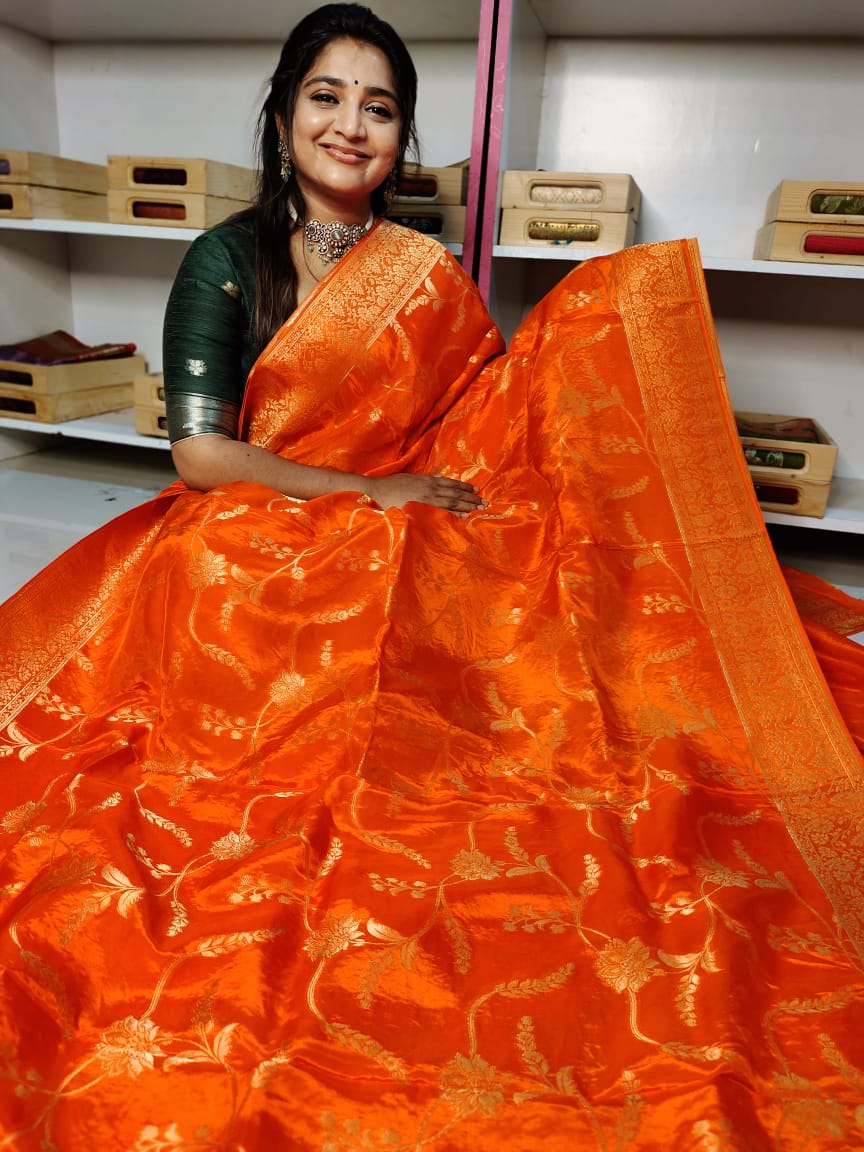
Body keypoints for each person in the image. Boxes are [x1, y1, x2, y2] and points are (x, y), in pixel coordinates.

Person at [1, 5, 864, 1150]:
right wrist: (363, 496)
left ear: (402, 137)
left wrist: (589, 348)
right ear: (282, 112)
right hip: (263, 514)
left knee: (505, 555)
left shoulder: (421, 273)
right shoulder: (226, 258)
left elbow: (477, 405)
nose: (350, 125)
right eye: (326, 96)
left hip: (400, 500)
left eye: (379, 107)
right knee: (220, 560)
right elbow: (200, 457)